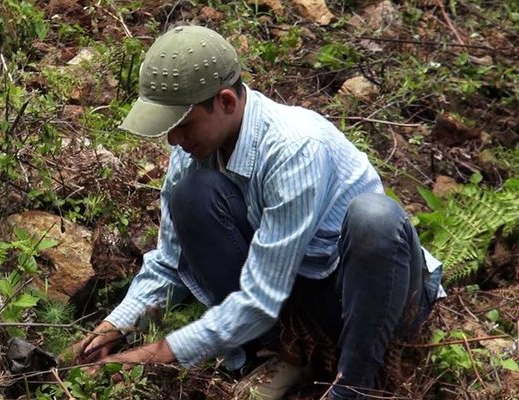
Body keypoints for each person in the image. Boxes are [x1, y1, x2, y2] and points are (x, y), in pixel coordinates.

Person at [67, 25, 445, 400]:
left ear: (227, 102)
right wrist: (115, 325)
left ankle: (354, 385)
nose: (173, 139)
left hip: (373, 300)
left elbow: (262, 299)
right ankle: (285, 351)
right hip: (300, 292)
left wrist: (160, 353)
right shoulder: (194, 150)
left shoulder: (295, 148)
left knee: (374, 218)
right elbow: (170, 261)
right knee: (192, 195)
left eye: (182, 124)